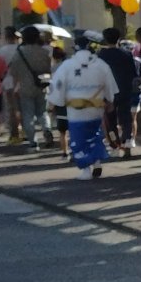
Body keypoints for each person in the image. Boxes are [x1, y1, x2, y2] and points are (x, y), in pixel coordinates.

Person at [49, 31, 117, 178]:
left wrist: (55, 102)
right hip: (96, 107)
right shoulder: (100, 64)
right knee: (95, 134)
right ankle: (97, 162)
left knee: (79, 137)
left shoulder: (67, 65)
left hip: (76, 109)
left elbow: (58, 86)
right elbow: (110, 86)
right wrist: (110, 100)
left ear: (75, 48)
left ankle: (85, 169)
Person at [4, 24, 54, 149]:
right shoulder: (44, 52)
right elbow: (49, 70)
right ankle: (47, 129)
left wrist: (15, 87)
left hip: (25, 87)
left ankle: (33, 142)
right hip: (42, 86)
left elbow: (14, 72)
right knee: (42, 112)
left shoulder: (19, 53)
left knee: (28, 115)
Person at [98, 30, 138, 158]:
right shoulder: (126, 54)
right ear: (118, 39)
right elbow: (133, 74)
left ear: (105, 39)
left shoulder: (101, 55)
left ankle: (114, 145)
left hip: (108, 91)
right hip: (125, 90)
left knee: (110, 120)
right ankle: (127, 142)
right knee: (126, 118)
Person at [0, 25, 22, 144]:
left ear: (6, 37)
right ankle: (26, 131)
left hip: (7, 83)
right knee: (23, 108)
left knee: (11, 110)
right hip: (22, 82)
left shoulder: (1, 51)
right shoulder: (21, 49)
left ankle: (14, 135)